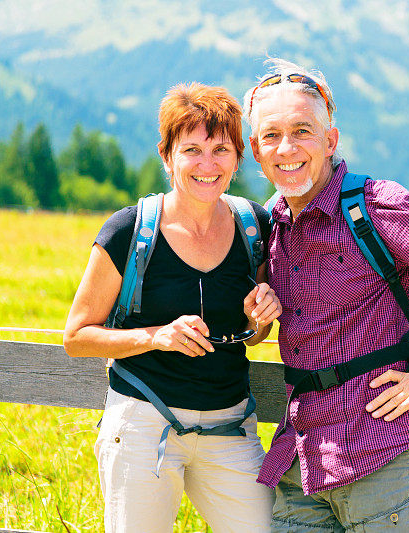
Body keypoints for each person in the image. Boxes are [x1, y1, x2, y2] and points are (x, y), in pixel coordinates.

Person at [244, 59, 409, 532]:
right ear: (255, 150)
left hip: (382, 451)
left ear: (330, 140)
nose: (286, 148)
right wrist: (256, 318)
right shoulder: (268, 223)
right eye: (271, 136)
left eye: (302, 131)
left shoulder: (376, 204)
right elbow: (257, 333)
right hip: (301, 458)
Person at [63, 83, 278, 532]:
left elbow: (253, 335)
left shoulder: (255, 226)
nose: (207, 164)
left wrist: (261, 318)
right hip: (144, 423)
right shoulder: (128, 231)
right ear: (167, 155)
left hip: (230, 427)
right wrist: (154, 336)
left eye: (221, 149)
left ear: (238, 157)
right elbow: (77, 336)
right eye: (192, 149)